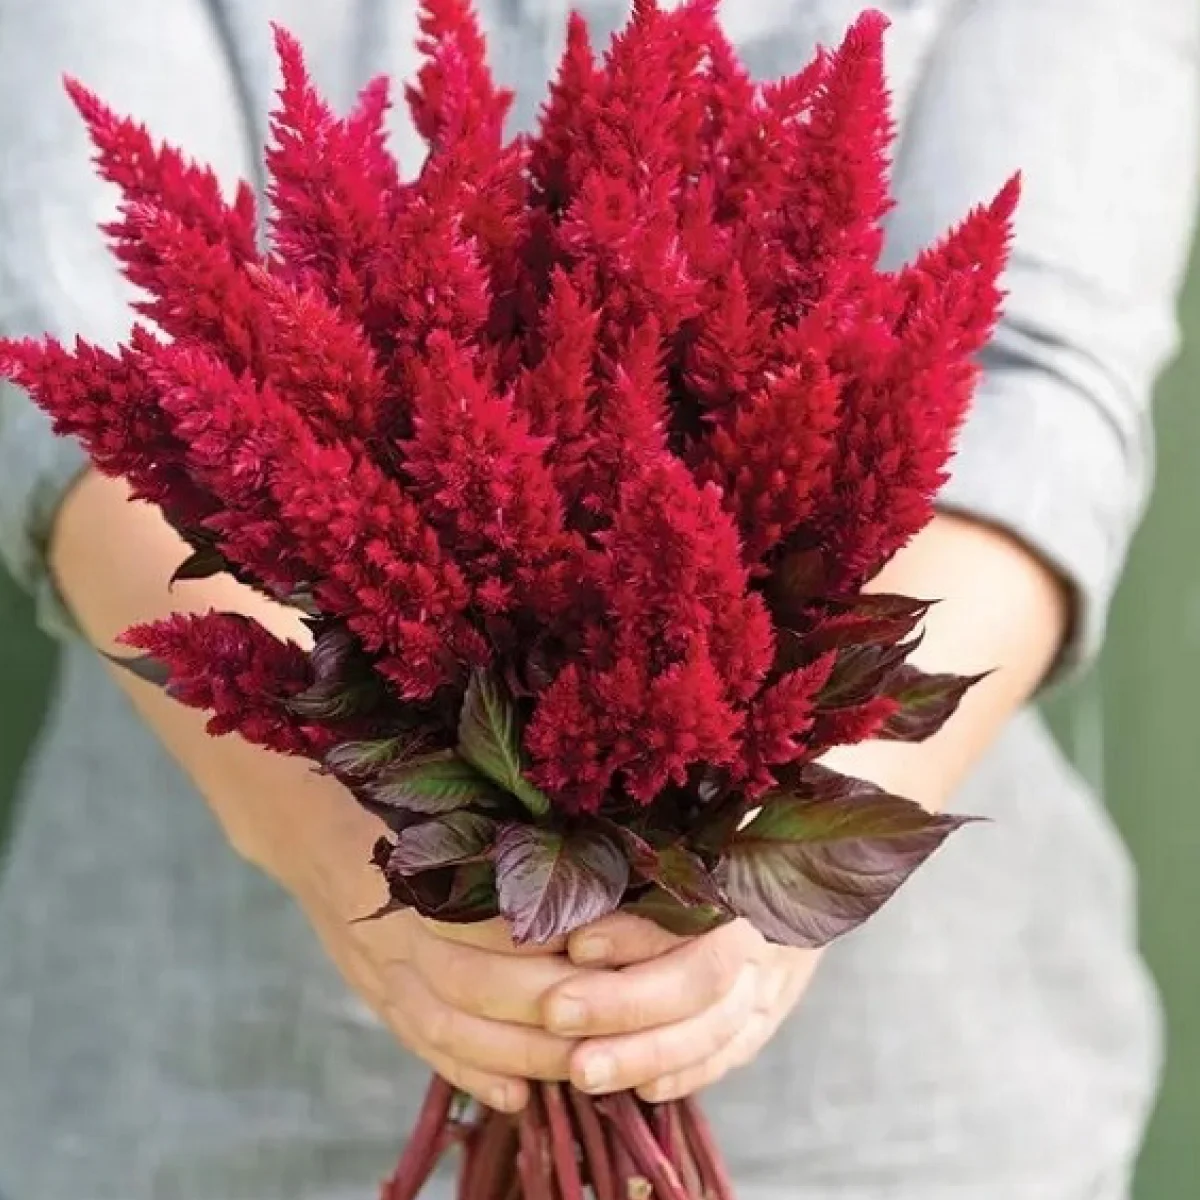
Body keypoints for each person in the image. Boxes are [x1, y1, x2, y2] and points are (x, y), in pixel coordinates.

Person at [0, 1, 1196, 1197]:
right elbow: (75, 331)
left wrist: (776, 858)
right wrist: (320, 827)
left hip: (891, 1119)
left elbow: (1040, 378)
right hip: (216, 1090)